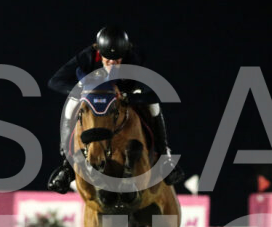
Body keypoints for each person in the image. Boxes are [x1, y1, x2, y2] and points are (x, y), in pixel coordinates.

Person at [46, 25, 185, 194]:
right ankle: (66, 166)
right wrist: (82, 90)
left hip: (125, 94)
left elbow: (156, 92)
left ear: (124, 53)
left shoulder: (134, 58)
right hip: (94, 96)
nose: (112, 63)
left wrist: (129, 97)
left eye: (117, 60)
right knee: (70, 106)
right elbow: (55, 81)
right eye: (107, 59)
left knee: (153, 107)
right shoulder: (88, 55)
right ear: (99, 51)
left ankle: (164, 157)